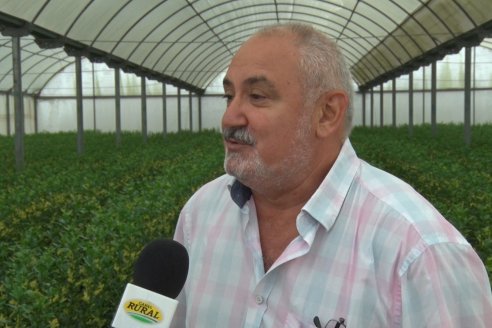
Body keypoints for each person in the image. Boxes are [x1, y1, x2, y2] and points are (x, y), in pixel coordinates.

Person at [171, 23, 492, 327]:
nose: (230, 117)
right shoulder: (199, 214)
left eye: (257, 97)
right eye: (229, 96)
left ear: (326, 114)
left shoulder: (419, 253)